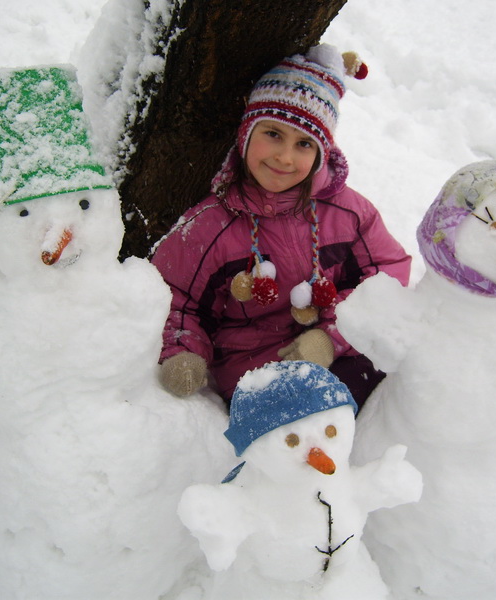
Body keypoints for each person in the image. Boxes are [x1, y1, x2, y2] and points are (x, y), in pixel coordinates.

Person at [151, 44, 411, 408]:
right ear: (246, 134)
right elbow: (177, 300)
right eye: (272, 134)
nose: (285, 157)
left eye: (304, 144)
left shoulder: (348, 211)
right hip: (254, 367)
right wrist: (183, 351)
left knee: (397, 380)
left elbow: (387, 274)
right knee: (299, 417)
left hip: (339, 347)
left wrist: (330, 337)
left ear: (321, 153)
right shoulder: (210, 226)